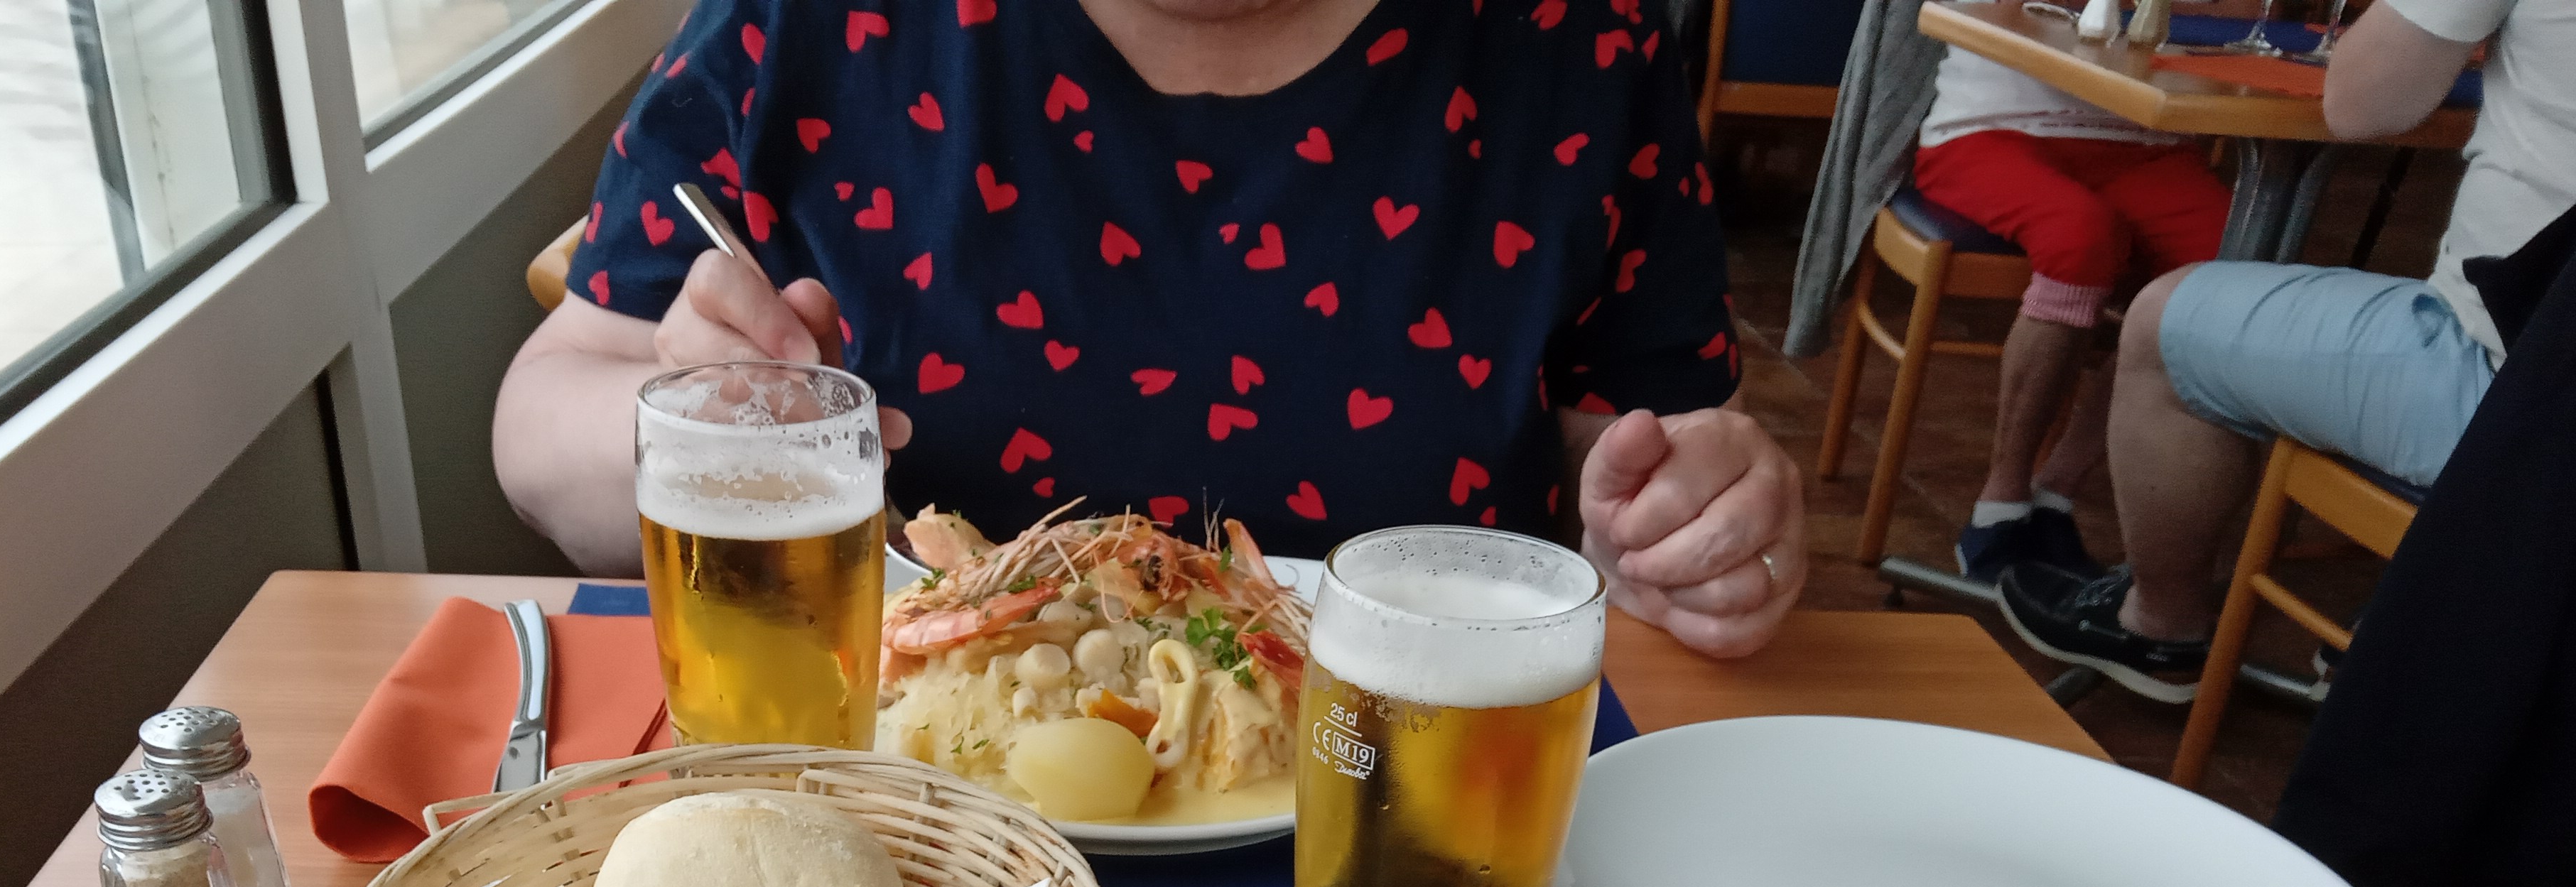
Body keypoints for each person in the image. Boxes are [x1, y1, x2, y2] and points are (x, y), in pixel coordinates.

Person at [493, 0, 1808, 659]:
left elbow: (1632, 448)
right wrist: (705, 435)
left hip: (1414, 818)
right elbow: (540, 436)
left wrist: (1681, 528)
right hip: (907, 827)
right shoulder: (809, 24)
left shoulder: (1579, 41)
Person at [2001, 0, 2576, 700]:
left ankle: (2157, 626)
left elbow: (2359, 107)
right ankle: (2425, 613)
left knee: (2159, 322)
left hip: (2519, 399)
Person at [1906, 44, 2232, 578]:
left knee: (2228, 281)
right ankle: (2000, 505)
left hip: (2151, 138)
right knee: (2080, 239)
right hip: (1992, 127)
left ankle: (2056, 495)